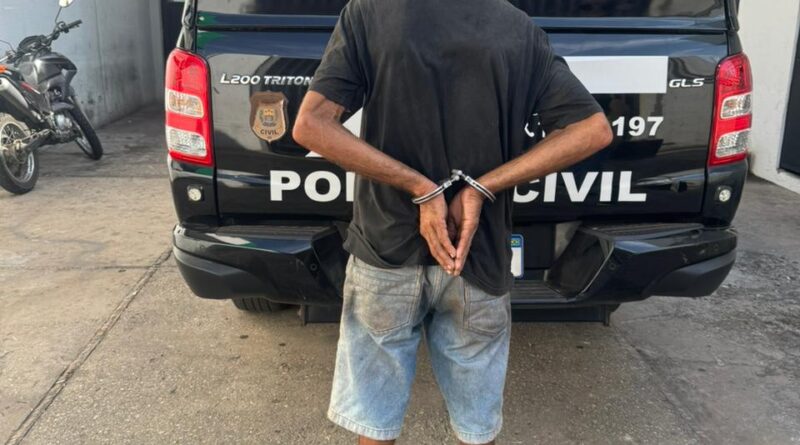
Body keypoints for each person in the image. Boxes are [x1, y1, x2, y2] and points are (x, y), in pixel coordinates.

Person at [293, 0, 612, 443]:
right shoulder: (519, 28)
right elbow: (592, 129)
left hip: (385, 250)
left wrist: (419, 187)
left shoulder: (370, 12)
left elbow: (311, 125)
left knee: (374, 420)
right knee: (476, 427)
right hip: (474, 252)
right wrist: (480, 188)